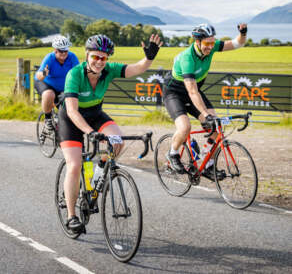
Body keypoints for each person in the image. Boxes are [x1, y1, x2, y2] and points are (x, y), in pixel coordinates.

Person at [58, 34, 163, 231]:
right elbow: (72, 111)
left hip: (95, 113)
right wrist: (90, 132)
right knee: (74, 164)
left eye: (103, 58)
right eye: (95, 57)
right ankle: (72, 216)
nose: (99, 62)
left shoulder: (109, 70)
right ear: (87, 55)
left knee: (117, 142)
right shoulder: (75, 74)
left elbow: (137, 69)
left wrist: (149, 58)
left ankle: (100, 171)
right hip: (71, 119)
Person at [163, 23, 248, 179]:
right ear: (197, 41)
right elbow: (192, 91)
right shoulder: (187, 58)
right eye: (207, 43)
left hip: (193, 92)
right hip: (174, 93)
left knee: (217, 127)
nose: (211, 46)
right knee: (185, 127)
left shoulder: (212, 46)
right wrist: (204, 114)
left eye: (212, 42)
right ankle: (172, 153)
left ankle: (206, 163)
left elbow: (237, 43)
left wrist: (243, 33)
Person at [34, 35, 79, 130]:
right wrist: (44, 73)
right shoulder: (49, 58)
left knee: (69, 105)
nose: (64, 53)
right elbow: (39, 76)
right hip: (46, 83)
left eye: (66, 50)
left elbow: (78, 73)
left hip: (63, 87)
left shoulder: (72, 57)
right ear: (55, 50)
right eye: (61, 51)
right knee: (49, 94)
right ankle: (47, 119)